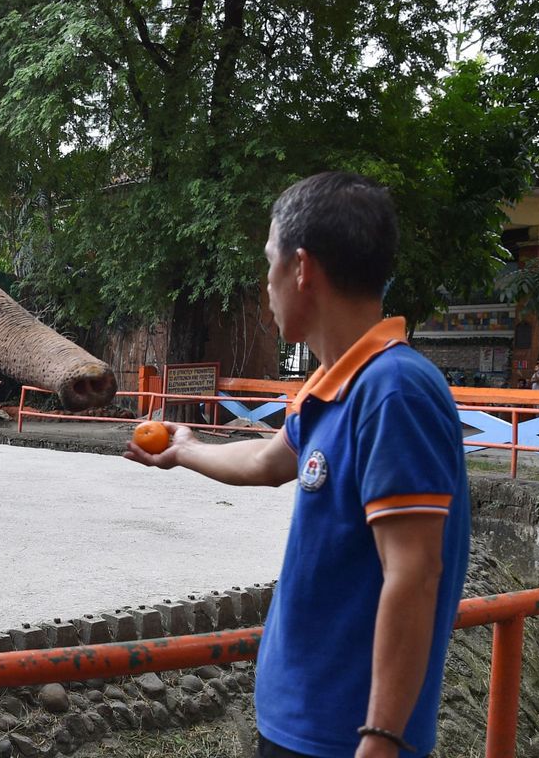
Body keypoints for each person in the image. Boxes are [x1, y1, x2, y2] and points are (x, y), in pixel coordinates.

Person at [125, 171, 470, 758]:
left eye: (270, 263)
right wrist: (184, 451)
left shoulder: (394, 391)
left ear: (302, 268)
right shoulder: (333, 384)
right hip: (298, 719)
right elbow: (267, 459)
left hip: (345, 735)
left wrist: (381, 737)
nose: (267, 283)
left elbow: (415, 573)